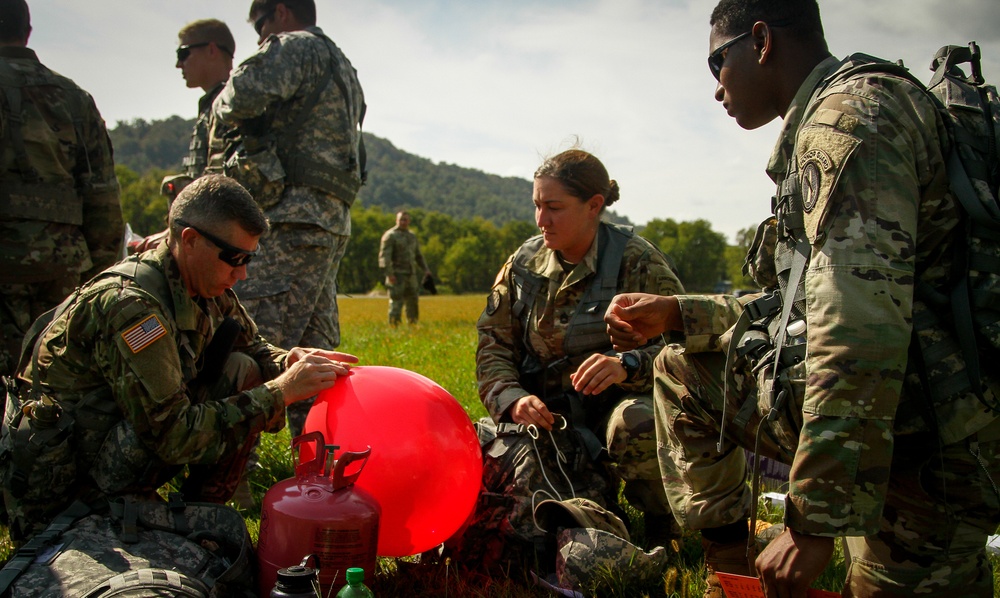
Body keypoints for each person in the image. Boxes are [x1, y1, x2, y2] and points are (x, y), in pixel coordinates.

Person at [605, 1, 1000, 596]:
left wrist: (813, 519)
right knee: (681, 368)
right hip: (924, 408)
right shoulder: (864, 105)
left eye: (718, 61)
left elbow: (858, 329)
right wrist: (678, 313)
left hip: (934, 443)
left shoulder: (845, 124)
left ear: (760, 41)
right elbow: (801, 309)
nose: (716, 88)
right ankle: (733, 569)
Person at [0, 175, 358, 543]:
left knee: (243, 369)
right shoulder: (133, 308)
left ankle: (197, 515)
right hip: (64, 489)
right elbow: (172, 435)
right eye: (234, 258)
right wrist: (280, 392)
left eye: (249, 258)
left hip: (114, 445)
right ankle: (130, 513)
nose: (242, 273)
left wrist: (288, 362)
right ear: (190, 241)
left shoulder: (200, 281)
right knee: (247, 391)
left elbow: (253, 347)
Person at [455, 149, 686, 575]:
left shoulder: (638, 263)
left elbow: (687, 352)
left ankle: (663, 527)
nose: (542, 220)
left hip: (611, 412)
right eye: (537, 206)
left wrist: (628, 364)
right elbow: (494, 344)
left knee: (637, 423)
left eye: (554, 207)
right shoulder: (523, 265)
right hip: (545, 416)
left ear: (594, 206)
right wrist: (512, 398)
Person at [212, 0, 366, 437]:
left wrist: (223, 100)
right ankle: (318, 463)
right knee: (316, 351)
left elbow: (237, 98)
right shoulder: (342, 63)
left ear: (280, 12)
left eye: (260, 25)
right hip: (329, 218)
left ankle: (232, 468)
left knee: (256, 341)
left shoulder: (293, 47)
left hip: (289, 216)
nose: (259, 38)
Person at [0, 0, 122, 378]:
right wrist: (100, 281)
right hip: (64, 267)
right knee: (53, 381)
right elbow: (102, 200)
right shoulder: (74, 98)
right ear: (28, 33)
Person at [378, 211, 431, 326]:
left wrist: (426, 269)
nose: (403, 222)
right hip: (396, 275)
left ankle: (412, 325)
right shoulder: (390, 235)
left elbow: (418, 255)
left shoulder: (412, 236)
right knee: (396, 302)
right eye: (401, 219)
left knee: (413, 302)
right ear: (396, 220)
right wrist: (389, 274)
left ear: (409, 221)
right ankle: (394, 326)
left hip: (411, 275)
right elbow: (384, 257)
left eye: (405, 219)